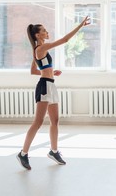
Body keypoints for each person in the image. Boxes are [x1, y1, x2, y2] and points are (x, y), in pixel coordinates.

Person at [17, 16, 90, 170]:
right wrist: (80, 25)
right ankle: (23, 153)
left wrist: (50, 72)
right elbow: (64, 40)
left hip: (50, 84)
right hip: (44, 87)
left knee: (55, 121)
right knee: (38, 122)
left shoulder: (37, 50)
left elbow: (33, 70)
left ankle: (54, 151)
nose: (46, 31)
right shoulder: (40, 48)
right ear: (38, 35)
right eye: (44, 30)